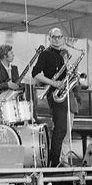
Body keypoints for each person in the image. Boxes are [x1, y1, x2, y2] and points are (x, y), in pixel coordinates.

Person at [32, 27, 70, 167]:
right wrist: (53, 82)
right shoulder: (45, 54)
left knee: (62, 129)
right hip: (53, 93)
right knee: (60, 128)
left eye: (59, 37)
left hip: (63, 92)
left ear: (63, 38)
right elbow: (35, 73)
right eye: (54, 37)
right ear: (49, 38)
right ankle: (54, 163)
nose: (57, 39)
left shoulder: (64, 54)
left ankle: (56, 160)